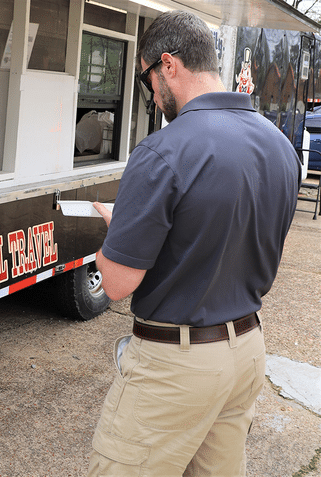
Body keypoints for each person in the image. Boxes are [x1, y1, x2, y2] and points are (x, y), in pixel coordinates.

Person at [89, 10, 301, 477]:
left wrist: (117, 228)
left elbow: (118, 282)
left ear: (168, 65)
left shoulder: (163, 151)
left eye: (148, 78)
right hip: (247, 350)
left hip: (177, 364)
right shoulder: (279, 145)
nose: (151, 93)